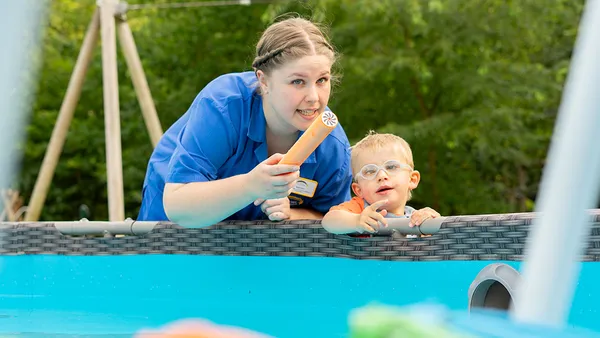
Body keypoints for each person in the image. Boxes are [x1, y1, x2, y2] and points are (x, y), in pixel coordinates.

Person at [137, 17, 353, 228]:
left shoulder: (333, 145)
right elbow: (178, 208)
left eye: (322, 80)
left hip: (256, 240)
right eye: (298, 81)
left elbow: (333, 220)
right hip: (174, 224)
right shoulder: (223, 105)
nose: (314, 97)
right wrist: (251, 187)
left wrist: (292, 213)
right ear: (264, 80)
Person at [322, 131, 440, 235]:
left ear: (412, 179)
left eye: (391, 167)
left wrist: (432, 221)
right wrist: (357, 221)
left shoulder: (416, 219)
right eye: (369, 171)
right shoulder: (359, 209)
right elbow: (329, 221)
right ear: (359, 190)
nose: (381, 176)